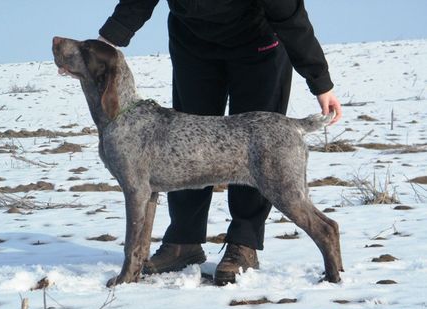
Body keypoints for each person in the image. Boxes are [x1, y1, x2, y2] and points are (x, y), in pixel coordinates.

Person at [98, 0, 342, 285]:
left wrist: (320, 81)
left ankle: (244, 243)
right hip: (193, 43)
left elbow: (290, 15)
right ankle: (183, 241)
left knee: (259, 150)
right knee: (180, 145)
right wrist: (106, 42)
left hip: (257, 44)